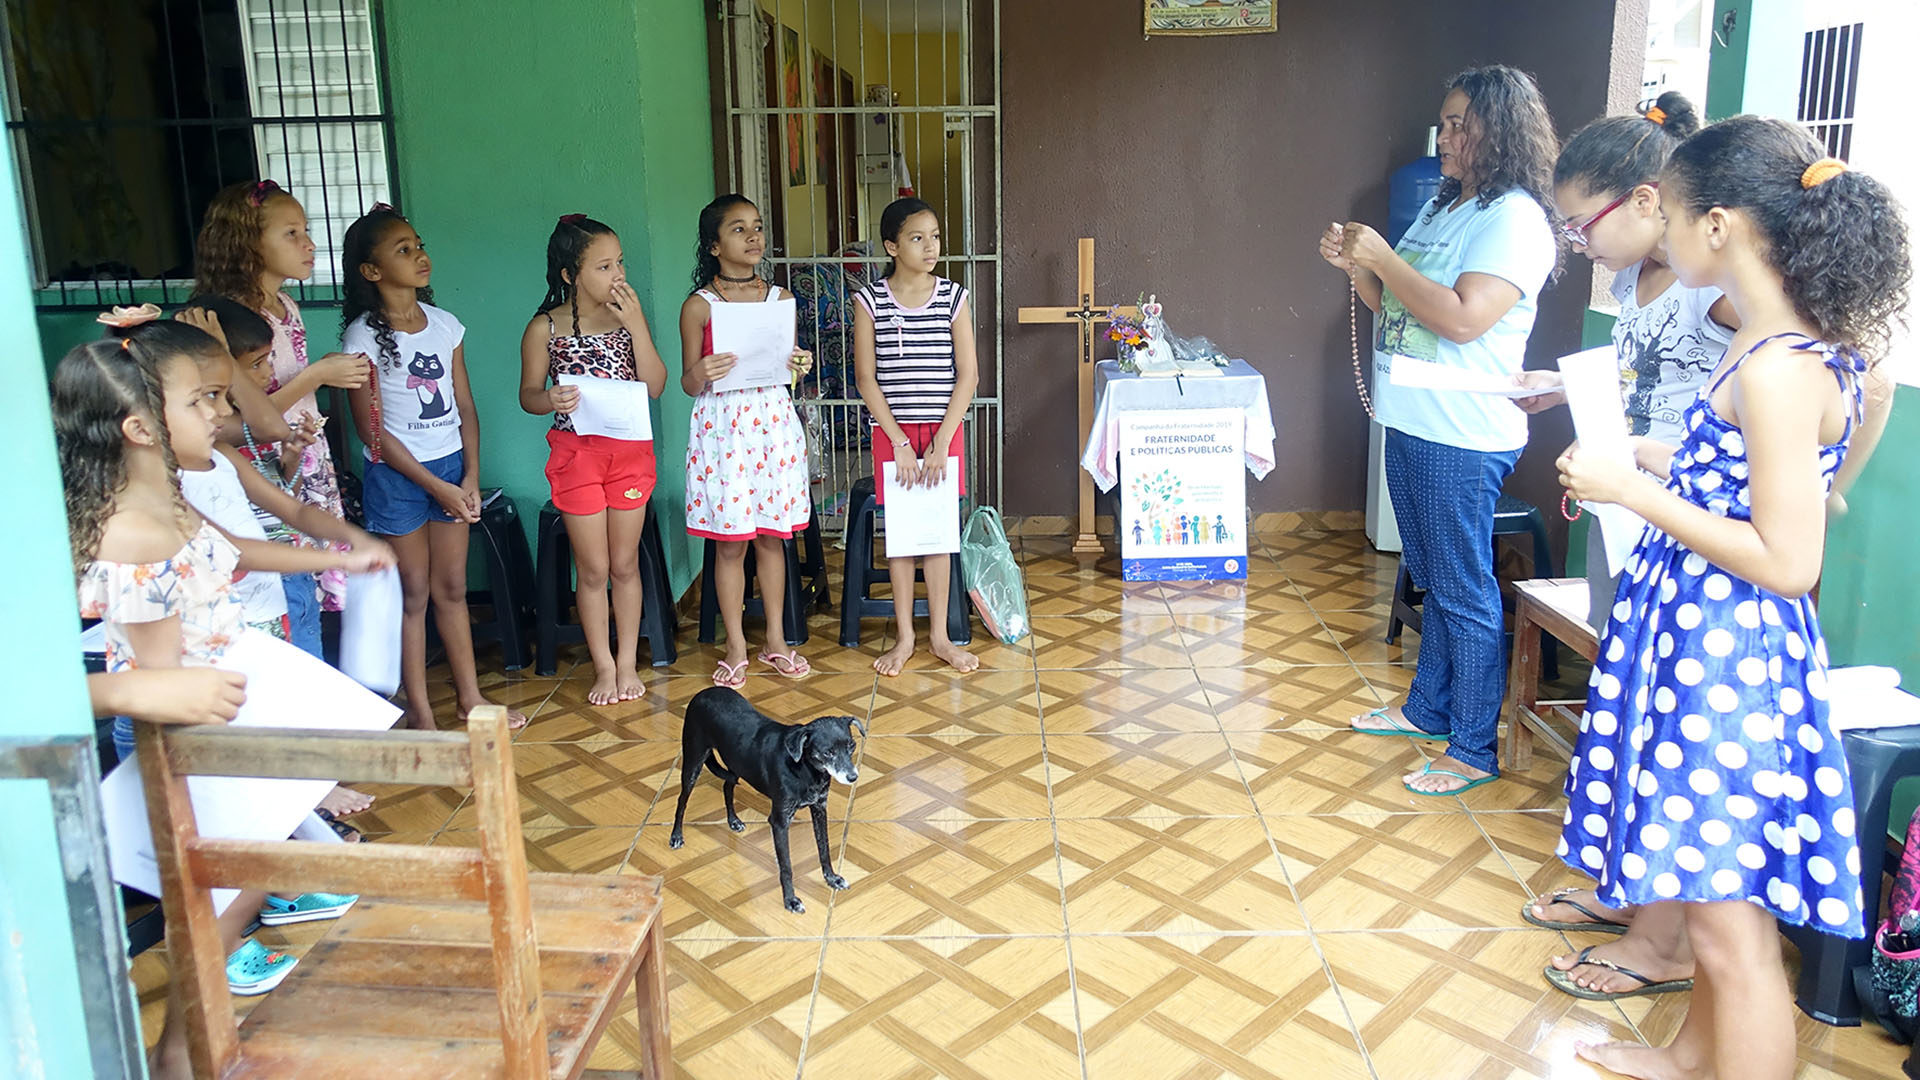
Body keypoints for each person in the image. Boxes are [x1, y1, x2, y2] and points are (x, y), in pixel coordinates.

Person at [1555, 115, 1909, 1080]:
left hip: (1726, 662)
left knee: (1730, 934)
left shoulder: (1780, 365)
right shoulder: (1772, 345)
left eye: (1667, 216)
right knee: (1713, 897)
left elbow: (1789, 557)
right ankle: (1690, 1059)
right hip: (1705, 647)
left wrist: (1635, 493)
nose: (1660, 235)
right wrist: (1647, 456)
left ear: (1718, 225)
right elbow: (1743, 479)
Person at [53, 316, 387, 1079]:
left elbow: (231, 555)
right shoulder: (133, 530)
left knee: (233, 906)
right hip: (192, 753)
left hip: (230, 723)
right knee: (220, 911)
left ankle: (187, 1053)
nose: (221, 415)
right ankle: (183, 1058)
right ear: (142, 426)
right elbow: (156, 683)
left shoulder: (169, 499)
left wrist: (337, 556)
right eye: (203, 402)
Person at [1513, 93, 1732, 1001]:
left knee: (1669, 729)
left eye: (1580, 224)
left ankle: (1666, 943)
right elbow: (1641, 394)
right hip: (1625, 516)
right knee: (1628, 710)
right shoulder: (1630, 279)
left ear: (1649, 202)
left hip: (1687, 526)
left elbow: (1856, 380)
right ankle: (1630, 895)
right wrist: (1560, 395)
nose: (1577, 243)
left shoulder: (1715, 280)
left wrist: (1825, 489)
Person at [1317, 65, 1561, 794]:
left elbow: (1460, 318)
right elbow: (1398, 304)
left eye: (1460, 125)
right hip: (1414, 420)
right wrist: (1356, 267)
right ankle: (1428, 708)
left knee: (1462, 589)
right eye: (1444, 123)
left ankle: (1473, 748)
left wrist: (1384, 257)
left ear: (1501, 131)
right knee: (1429, 575)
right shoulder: (1447, 208)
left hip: (1461, 431)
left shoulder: (1513, 218)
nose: (1446, 137)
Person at [341, 204, 528, 731]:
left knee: (451, 590)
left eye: (418, 244)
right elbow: (372, 432)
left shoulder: (445, 325)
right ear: (371, 271)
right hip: (397, 478)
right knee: (413, 595)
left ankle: (471, 700)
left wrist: (467, 478)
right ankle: (419, 709)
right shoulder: (361, 338)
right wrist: (435, 486)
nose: (420, 255)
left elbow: (464, 407)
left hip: (450, 468)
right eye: (403, 250)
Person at [194, 179, 369, 615]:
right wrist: (318, 374)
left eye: (305, 230)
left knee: (309, 591)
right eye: (291, 233)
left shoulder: (285, 305)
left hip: (303, 458)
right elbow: (239, 417)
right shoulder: (232, 319)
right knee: (283, 591)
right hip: (260, 466)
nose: (308, 243)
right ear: (246, 243)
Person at [518, 215, 669, 705]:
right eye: (604, 266)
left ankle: (627, 661)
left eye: (620, 262)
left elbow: (655, 385)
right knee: (593, 569)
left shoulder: (627, 325)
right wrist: (551, 399)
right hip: (575, 457)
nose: (618, 275)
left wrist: (638, 325)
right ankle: (603, 666)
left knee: (625, 564)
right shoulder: (545, 327)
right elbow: (528, 396)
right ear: (570, 274)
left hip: (628, 454)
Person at [678, 194, 816, 686]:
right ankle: (736, 644)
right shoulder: (699, 306)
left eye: (756, 227)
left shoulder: (780, 300)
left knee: (773, 539)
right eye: (738, 230)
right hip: (724, 431)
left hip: (772, 424)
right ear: (714, 245)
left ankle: (776, 640)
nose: (753, 236)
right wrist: (702, 371)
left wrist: (799, 366)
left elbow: (788, 371)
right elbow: (688, 383)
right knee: (732, 544)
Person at [853, 197, 980, 676]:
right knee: (904, 537)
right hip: (894, 436)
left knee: (938, 535)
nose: (931, 247)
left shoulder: (953, 296)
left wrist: (943, 440)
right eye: (916, 238)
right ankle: (905, 638)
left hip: (943, 433)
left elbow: (967, 375)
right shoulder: (869, 300)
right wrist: (901, 443)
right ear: (891, 245)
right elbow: (867, 379)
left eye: (936, 236)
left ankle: (941, 638)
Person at [177, 296, 328, 658]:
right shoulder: (221, 432)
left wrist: (291, 459)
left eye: (268, 359)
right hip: (247, 591)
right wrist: (223, 357)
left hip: (285, 575)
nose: (268, 373)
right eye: (255, 364)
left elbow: (283, 496)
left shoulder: (234, 434)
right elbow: (271, 426)